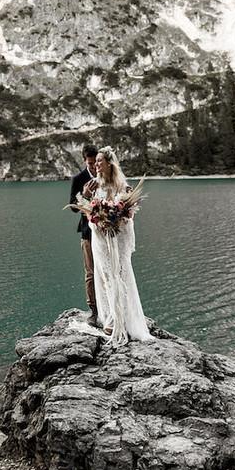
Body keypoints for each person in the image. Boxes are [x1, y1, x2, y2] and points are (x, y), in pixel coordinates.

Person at [82, 146, 152, 346]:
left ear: (109, 164)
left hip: (117, 238)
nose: (95, 165)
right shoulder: (95, 185)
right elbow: (89, 210)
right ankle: (110, 320)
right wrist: (89, 201)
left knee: (120, 274)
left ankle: (127, 318)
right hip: (100, 238)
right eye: (95, 162)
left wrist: (117, 219)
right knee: (103, 276)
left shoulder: (122, 185)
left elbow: (128, 213)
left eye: (99, 162)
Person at [69, 143, 99, 326]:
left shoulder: (105, 173)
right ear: (84, 161)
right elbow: (72, 206)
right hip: (88, 232)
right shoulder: (78, 178)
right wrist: (85, 195)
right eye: (90, 163)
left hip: (107, 231)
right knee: (90, 272)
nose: (94, 166)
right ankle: (93, 310)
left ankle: (110, 306)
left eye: (96, 162)